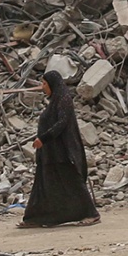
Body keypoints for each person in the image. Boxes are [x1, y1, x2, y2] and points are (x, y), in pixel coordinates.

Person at [20, 69, 99, 228]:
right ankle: (36, 218)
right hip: (51, 153)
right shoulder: (55, 100)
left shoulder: (64, 99)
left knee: (72, 182)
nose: (42, 87)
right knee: (45, 184)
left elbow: (62, 123)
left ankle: (91, 214)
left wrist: (43, 138)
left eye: (44, 83)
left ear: (52, 84)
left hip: (63, 151)